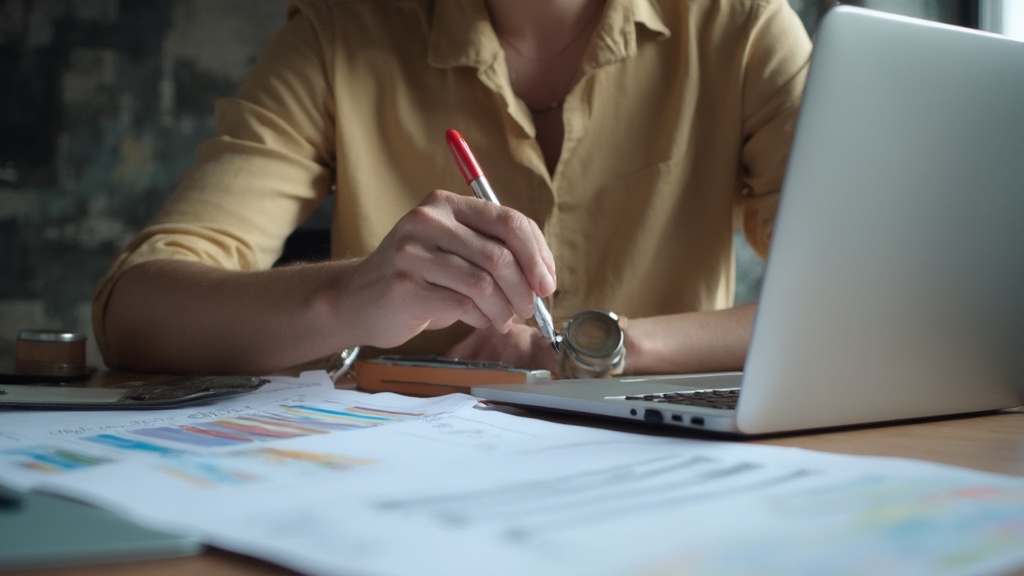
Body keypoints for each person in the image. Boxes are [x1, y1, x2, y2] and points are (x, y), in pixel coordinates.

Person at [92, 0, 812, 377]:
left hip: (670, 481)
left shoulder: (743, 27)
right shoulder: (341, 33)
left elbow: (870, 302)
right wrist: (347, 299)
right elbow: (135, 312)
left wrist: (612, 347)